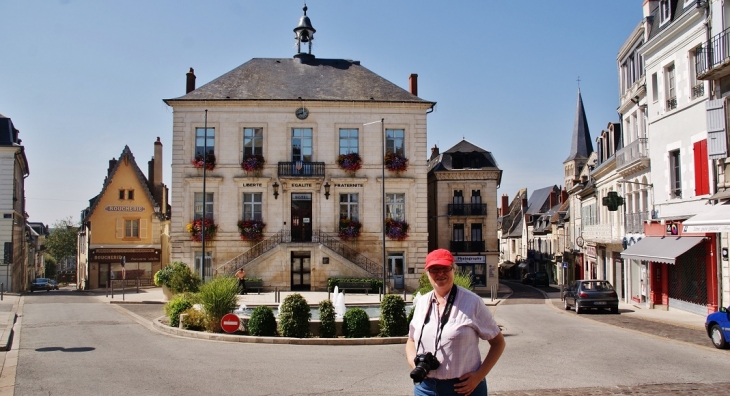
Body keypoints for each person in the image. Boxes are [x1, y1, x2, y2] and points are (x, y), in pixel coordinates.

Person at [406, 249, 505, 396]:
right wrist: (415, 365)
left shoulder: (472, 302)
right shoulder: (422, 302)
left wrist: (479, 377)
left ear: (453, 270)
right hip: (424, 388)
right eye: (434, 269)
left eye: (445, 268)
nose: (440, 273)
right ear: (427, 273)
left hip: (463, 388)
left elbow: (498, 343)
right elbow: (411, 340)